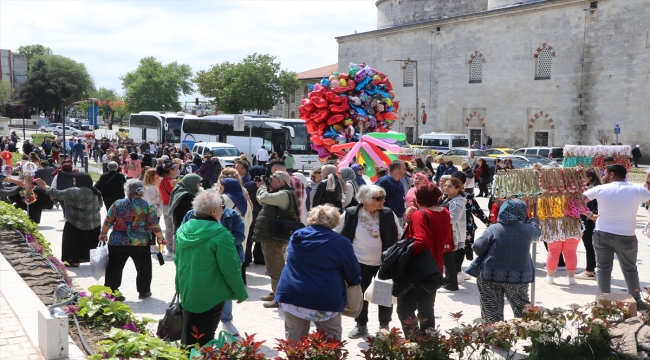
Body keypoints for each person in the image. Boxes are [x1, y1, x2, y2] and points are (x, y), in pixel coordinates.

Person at [277, 205, 361, 341]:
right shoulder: (341, 242)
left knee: (295, 342)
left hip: (292, 295)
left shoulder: (296, 237)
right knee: (330, 342)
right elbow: (353, 272)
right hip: (324, 297)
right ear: (335, 221)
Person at [174, 190, 248, 346]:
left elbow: (177, 261)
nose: (223, 209)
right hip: (212, 294)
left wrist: (178, 286)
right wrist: (240, 293)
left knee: (189, 335)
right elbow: (231, 269)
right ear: (214, 210)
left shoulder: (183, 229)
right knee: (205, 338)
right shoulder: (221, 234)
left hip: (188, 289)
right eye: (222, 206)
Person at [334, 185, 402, 339]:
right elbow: (336, 232)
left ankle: (384, 326)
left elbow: (399, 234)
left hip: (383, 263)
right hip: (359, 263)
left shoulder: (388, 213)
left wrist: (394, 256)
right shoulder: (351, 213)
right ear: (365, 199)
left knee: (384, 295)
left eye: (383, 197)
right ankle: (361, 325)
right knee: (360, 295)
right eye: (378, 198)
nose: (382, 201)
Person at [583, 164, 650, 310]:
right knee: (630, 269)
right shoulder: (637, 189)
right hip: (626, 235)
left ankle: (604, 302)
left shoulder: (600, 189)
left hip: (602, 233)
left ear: (612, 174)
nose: (603, 176)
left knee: (603, 269)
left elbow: (578, 201)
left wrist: (589, 215)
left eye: (604, 173)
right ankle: (637, 301)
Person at [473, 199, 541, 323]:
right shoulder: (528, 230)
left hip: (490, 275)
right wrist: (534, 220)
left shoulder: (494, 228)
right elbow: (537, 230)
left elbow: (477, 247)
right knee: (522, 309)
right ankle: (531, 336)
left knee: (491, 312)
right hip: (519, 276)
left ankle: (497, 339)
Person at [397, 183, 451, 334]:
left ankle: (413, 342)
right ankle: (428, 342)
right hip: (435, 267)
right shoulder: (444, 212)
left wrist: (402, 254)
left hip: (417, 269)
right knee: (426, 309)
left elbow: (421, 241)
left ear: (418, 199)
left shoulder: (420, 215)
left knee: (405, 308)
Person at [99, 180, 165, 301]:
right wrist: (160, 238)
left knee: (114, 267)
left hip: (118, 241)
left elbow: (108, 220)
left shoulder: (117, 204)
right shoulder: (147, 205)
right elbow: (154, 225)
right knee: (143, 267)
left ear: (127, 190)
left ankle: (111, 292)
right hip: (140, 242)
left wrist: (103, 233)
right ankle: (144, 291)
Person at [252, 171, 299, 308]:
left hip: (274, 238)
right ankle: (276, 292)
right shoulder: (281, 192)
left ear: (280, 181)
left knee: (276, 268)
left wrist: (261, 186)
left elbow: (264, 197)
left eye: (271, 178)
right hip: (273, 236)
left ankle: (280, 297)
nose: (269, 180)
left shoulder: (284, 194)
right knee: (275, 267)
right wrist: (264, 187)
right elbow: (262, 199)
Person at [35, 173, 103, 267]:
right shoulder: (95, 191)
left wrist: (44, 185)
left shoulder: (74, 191)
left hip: (75, 221)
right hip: (94, 222)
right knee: (92, 242)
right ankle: (95, 260)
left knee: (73, 242)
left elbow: (57, 194)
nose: (73, 182)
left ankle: (74, 261)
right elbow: (100, 205)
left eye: (74, 180)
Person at [438, 177, 467, 292]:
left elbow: (453, 218)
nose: (446, 188)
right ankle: (449, 280)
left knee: (448, 258)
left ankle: (451, 285)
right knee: (447, 258)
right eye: (445, 185)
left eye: (450, 186)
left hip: (452, 234)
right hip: (447, 233)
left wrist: (437, 217)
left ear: (458, 188)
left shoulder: (457, 202)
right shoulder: (449, 199)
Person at [575, 168, 601, 280]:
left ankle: (589, 271)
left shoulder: (590, 191)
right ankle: (592, 269)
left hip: (590, 221)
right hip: (597, 220)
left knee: (589, 246)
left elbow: (586, 207)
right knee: (592, 246)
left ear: (589, 178)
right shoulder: (600, 187)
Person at [243, 165, 266, 266]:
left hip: (250, 213)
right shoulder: (266, 185)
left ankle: (247, 258)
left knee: (248, 236)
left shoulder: (248, 185)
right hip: (263, 214)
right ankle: (260, 258)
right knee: (261, 237)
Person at [157, 163, 180, 256]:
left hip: (165, 206)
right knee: (175, 229)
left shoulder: (161, 181)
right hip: (173, 207)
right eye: (177, 168)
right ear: (171, 170)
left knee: (168, 229)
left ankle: (169, 250)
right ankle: (175, 250)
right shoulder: (174, 181)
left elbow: (161, 197)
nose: (178, 170)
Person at [142, 168, 163, 254]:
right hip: (153, 210)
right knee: (154, 227)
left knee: (153, 227)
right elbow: (152, 200)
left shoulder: (153, 186)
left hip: (154, 209)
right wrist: (161, 198)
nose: (158, 176)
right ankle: (152, 244)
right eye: (156, 174)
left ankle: (152, 244)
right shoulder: (151, 187)